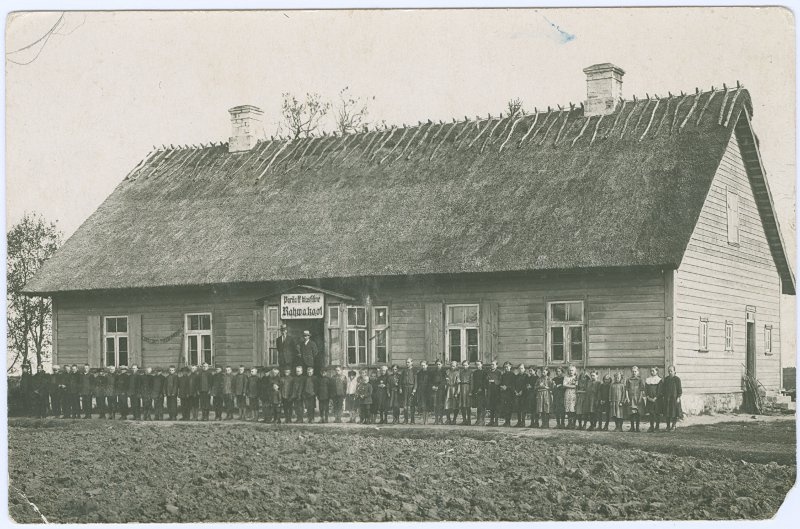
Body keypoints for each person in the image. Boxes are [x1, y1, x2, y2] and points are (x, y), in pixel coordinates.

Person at [661, 365, 682, 432]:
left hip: (674, 399)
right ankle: (668, 426)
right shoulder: (666, 379)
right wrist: (663, 396)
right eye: (669, 371)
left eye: (671, 371)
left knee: (674, 412)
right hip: (667, 399)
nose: (670, 372)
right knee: (667, 413)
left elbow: (679, 390)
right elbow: (663, 389)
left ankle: (673, 425)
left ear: (674, 371)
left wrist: (678, 397)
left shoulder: (677, 379)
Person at [625, 366, 645, 432]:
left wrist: (640, 398)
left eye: (635, 371)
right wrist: (627, 398)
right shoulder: (628, 380)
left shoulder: (640, 380)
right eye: (633, 371)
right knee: (631, 413)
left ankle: (637, 428)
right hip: (631, 398)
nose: (634, 373)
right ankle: (632, 427)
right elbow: (626, 389)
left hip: (638, 398)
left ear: (638, 372)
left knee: (637, 413)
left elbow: (642, 390)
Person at [644, 366, 663, 432]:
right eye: (651, 371)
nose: (652, 372)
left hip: (657, 399)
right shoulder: (648, 380)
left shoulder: (659, 380)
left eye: (653, 371)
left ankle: (657, 427)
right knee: (651, 413)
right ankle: (651, 426)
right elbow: (646, 389)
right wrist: (648, 397)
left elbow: (660, 390)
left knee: (657, 413)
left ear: (656, 371)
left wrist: (655, 398)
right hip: (649, 399)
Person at [400, 358, 417, 424]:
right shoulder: (404, 371)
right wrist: (400, 388)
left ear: (412, 363)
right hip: (405, 388)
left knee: (412, 405)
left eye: (408, 362)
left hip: (411, 388)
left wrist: (414, 389)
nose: (407, 363)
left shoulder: (414, 371)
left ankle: (412, 420)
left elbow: (416, 381)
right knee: (405, 405)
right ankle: (406, 419)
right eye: (406, 362)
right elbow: (401, 380)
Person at [444, 360, 460, 425]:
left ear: (456, 366)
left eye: (454, 366)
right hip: (448, 389)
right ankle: (448, 419)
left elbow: (458, 383)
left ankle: (454, 419)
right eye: (451, 365)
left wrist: (457, 392)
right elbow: (445, 380)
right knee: (447, 404)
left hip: (454, 388)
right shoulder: (447, 372)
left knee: (455, 405)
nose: (452, 367)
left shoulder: (457, 373)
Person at [485, 361, 501, 426]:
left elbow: (500, 381)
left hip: (496, 391)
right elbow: (485, 380)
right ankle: (491, 421)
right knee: (491, 406)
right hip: (490, 391)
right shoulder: (488, 372)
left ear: (496, 365)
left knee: (496, 406)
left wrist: (494, 381)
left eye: (493, 364)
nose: (492, 366)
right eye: (491, 364)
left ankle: (496, 421)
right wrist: (487, 380)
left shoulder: (499, 372)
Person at [430, 360, 446, 425]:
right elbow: (430, 380)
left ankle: (441, 419)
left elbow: (444, 381)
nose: (438, 365)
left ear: (442, 365)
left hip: (441, 390)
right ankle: (436, 419)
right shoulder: (433, 372)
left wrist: (438, 387)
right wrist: (432, 386)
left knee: (441, 405)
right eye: (437, 364)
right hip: (434, 390)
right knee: (435, 405)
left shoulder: (444, 372)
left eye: (439, 364)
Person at [499, 362, 515, 427]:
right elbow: (501, 382)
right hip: (504, 393)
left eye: (507, 367)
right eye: (505, 367)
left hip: (510, 393)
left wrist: (507, 387)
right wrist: (501, 387)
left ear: (510, 367)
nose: (506, 368)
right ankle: (506, 421)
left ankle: (508, 421)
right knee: (504, 407)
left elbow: (513, 384)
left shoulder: (512, 375)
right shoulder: (503, 375)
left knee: (509, 407)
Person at [414, 361, 430, 425]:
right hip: (421, 390)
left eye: (424, 365)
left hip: (427, 390)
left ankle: (427, 420)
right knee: (423, 406)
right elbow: (417, 382)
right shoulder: (419, 373)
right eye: (422, 365)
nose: (423, 367)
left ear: (427, 365)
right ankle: (424, 420)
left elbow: (431, 382)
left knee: (427, 405)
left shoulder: (429, 373)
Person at [458, 360, 472, 425]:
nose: (464, 366)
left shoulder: (471, 372)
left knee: (468, 405)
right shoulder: (461, 372)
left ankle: (469, 420)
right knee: (462, 405)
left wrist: (470, 391)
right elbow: (459, 380)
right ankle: (464, 420)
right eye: (463, 365)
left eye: (466, 365)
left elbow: (472, 382)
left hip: (467, 388)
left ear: (468, 365)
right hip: (462, 387)